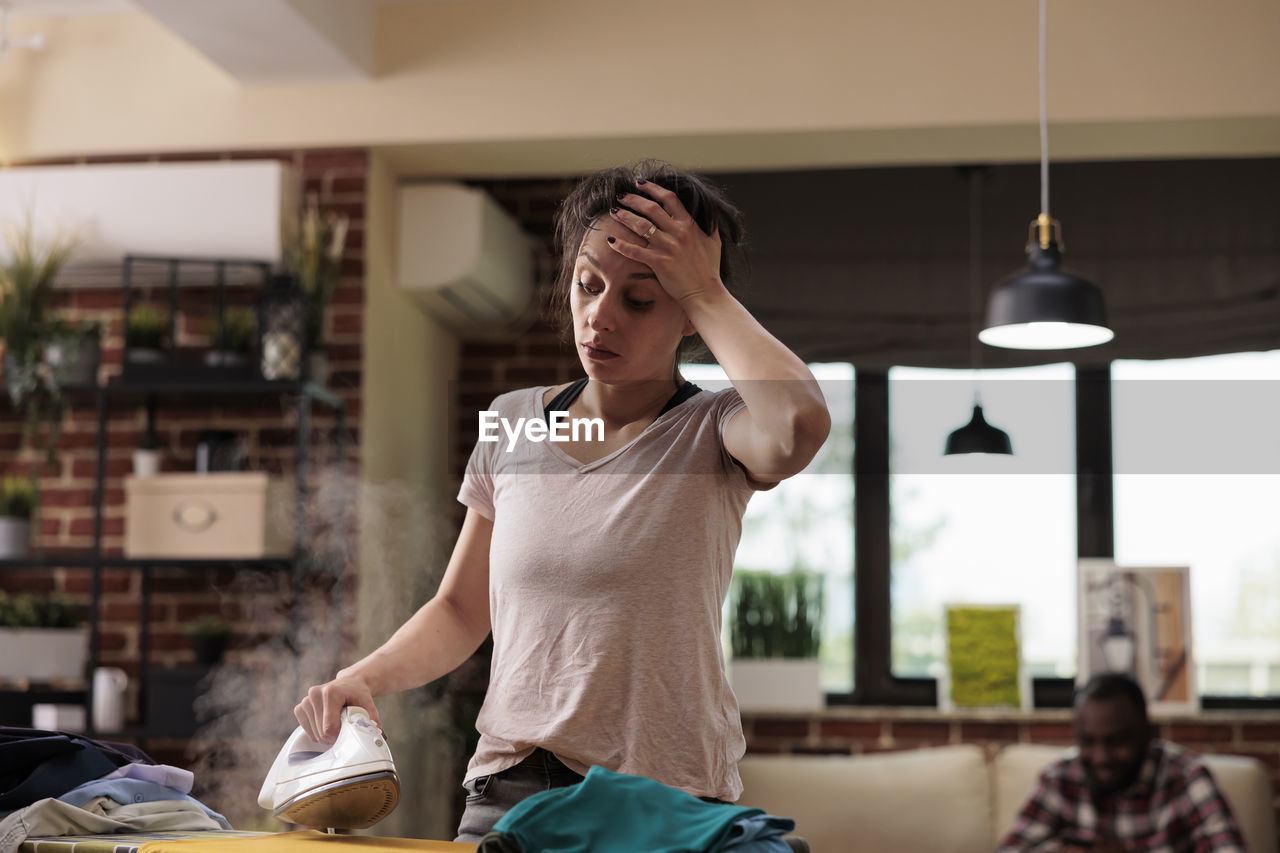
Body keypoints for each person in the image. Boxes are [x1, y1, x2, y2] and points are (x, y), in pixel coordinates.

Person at [292, 160, 831, 842]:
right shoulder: (511, 419)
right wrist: (361, 677)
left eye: (640, 299)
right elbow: (461, 608)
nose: (600, 316)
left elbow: (798, 426)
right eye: (588, 284)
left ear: (689, 316)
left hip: (663, 801)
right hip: (511, 791)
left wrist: (706, 288)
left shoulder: (712, 431)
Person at [997, 673, 1246, 853]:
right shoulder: (1060, 777)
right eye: (1088, 742)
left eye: (1117, 742)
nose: (1101, 757)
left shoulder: (1186, 777)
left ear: (1149, 734)